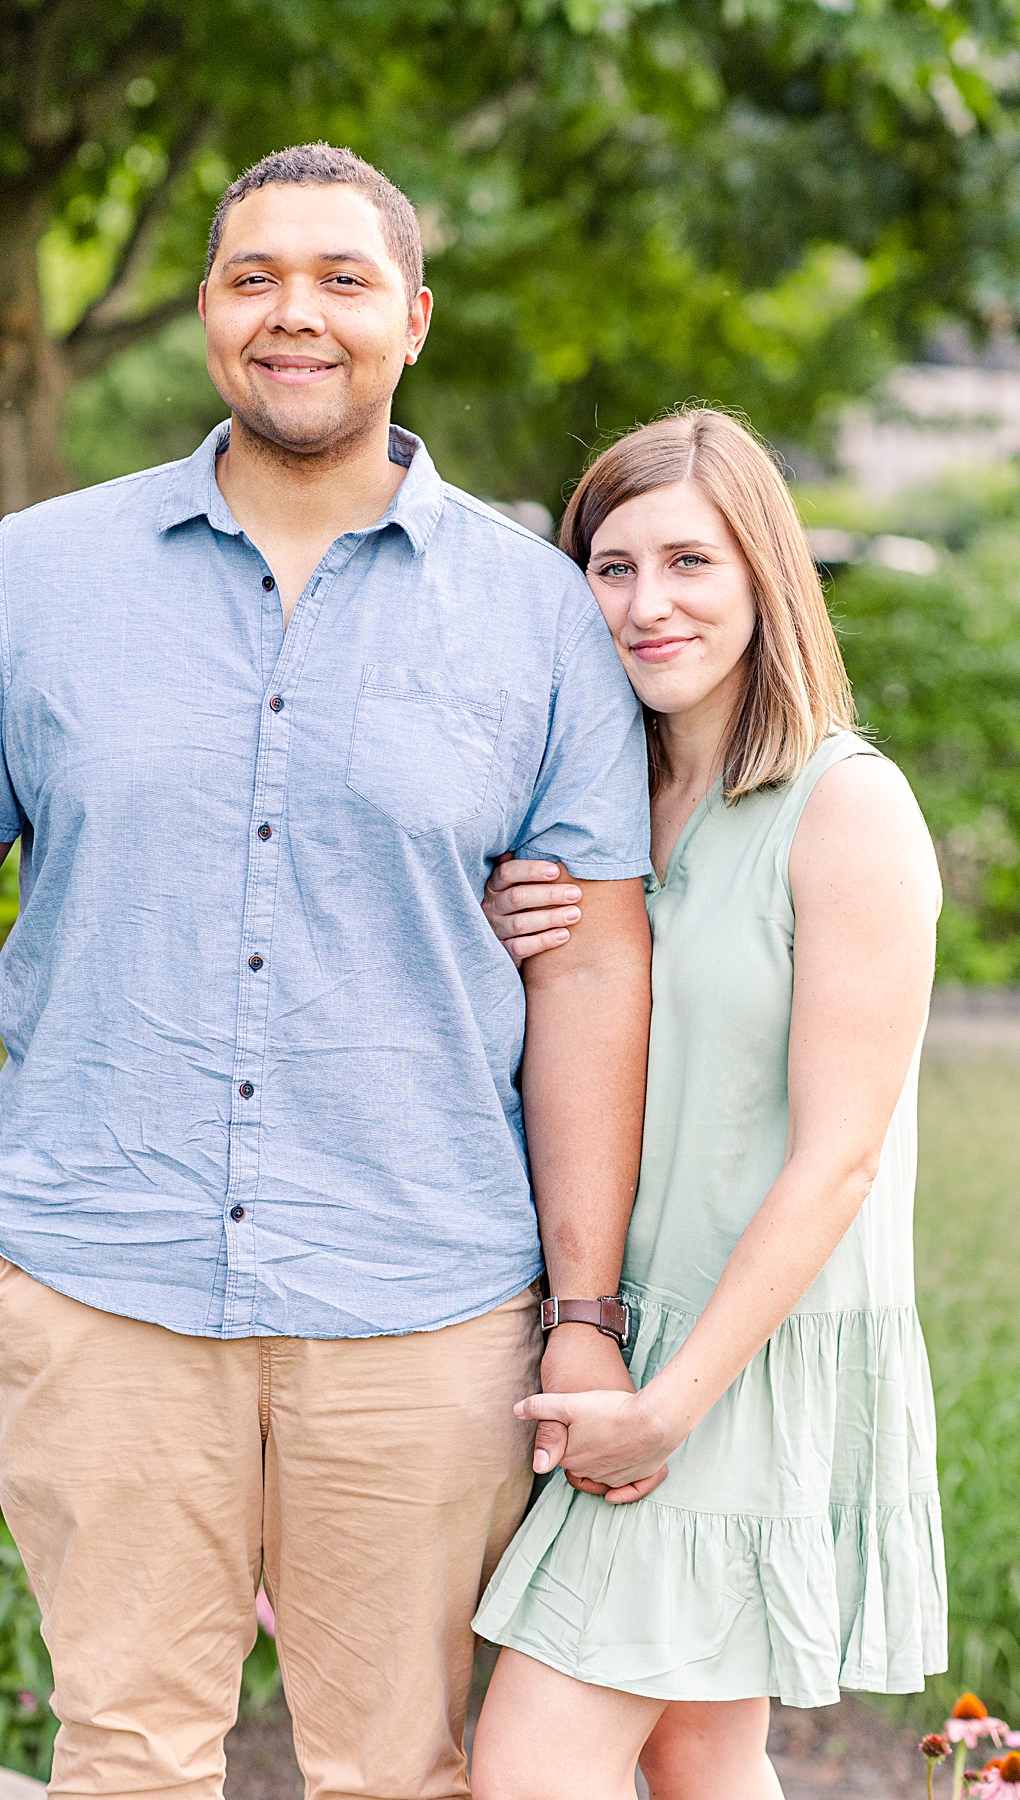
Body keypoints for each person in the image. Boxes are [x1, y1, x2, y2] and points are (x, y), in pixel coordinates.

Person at [0, 144, 655, 1800]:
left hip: (426, 1304)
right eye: (254, 277)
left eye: (343, 279)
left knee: (395, 1769)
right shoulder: (35, 581)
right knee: (128, 1755)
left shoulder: (538, 620)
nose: (298, 313)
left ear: (412, 321)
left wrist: (581, 1312)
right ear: (210, 313)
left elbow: (590, 973)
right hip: (101, 1278)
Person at [468, 409, 947, 1800]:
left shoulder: (846, 809)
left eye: (689, 560)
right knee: (699, 1756)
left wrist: (672, 1402)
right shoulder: (600, 808)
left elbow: (840, 1159)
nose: (646, 602)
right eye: (610, 568)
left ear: (764, 577)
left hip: (741, 1357)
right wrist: (505, 929)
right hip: (621, 1325)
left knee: (530, 1766)